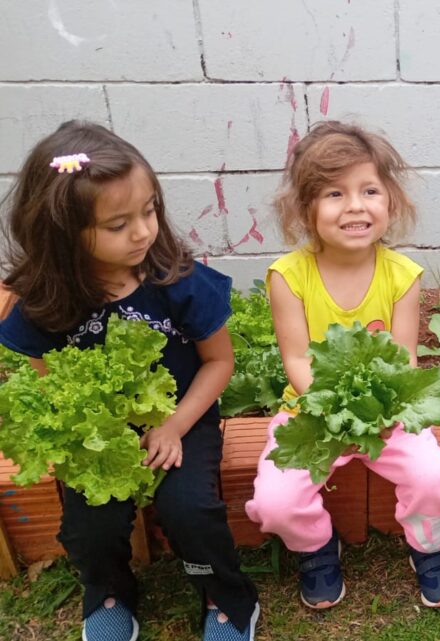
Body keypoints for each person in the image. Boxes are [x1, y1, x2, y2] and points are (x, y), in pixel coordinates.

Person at [0, 121, 259, 641]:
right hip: (104, 438)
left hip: (182, 418)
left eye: (150, 211)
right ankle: (109, 593)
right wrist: (82, 436)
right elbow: (53, 383)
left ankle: (225, 595)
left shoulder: (173, 278)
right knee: (88, 524)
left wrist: (173, 427)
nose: (144, 232)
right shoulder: (45, 300)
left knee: (189, 509)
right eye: (119, 224)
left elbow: (218, 363)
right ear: (61, 231)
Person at [243, 121, 440, 608]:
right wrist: (333, 407)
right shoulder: (289, 277)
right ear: (306, 208)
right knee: (274, 502)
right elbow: (298, 359)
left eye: (369, 190)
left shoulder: (402, 275)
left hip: (386, 412)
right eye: (334, 194)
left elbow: (404, 358)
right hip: (313, 412)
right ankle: (317, 547)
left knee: (432, 475)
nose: (356, 206)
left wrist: (378, 413)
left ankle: (430, 547)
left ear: (391, 202)